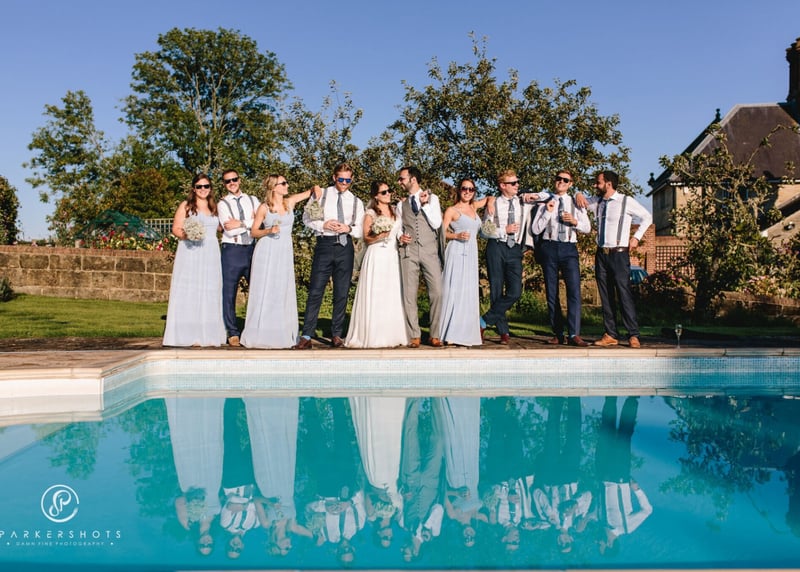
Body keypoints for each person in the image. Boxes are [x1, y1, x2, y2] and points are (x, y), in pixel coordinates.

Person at [240, 175, 319, 349]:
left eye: (286, 182)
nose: (287, 185)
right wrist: (268, 230)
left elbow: (310, 191)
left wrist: (316, 189)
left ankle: (280, 332)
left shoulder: (289, 202)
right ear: (274, 187)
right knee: (265, 289)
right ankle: (261, 332)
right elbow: (254, 232)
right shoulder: (264, 207)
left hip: (284, 252)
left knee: (282, 289)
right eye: (283, 183)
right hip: (267, 250)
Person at [294, 163, 365, 349]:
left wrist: (348, 228)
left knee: (341, 292)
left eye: (348, 180)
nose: (344, 183)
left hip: (345, 247)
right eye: (341, 179)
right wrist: (323, 225)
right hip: (324, 245)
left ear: (352, 180)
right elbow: (306, 218)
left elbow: (361, 229)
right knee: (316, 290)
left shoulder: (357, 202)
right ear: (334, 177)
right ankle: (307, 335)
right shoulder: (321, 194)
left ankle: (336, 335)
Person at [587, 170, 653, 348]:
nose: (595, 185)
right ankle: (610, 334)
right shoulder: (597, 201)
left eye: (598, 182)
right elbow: (580, 203)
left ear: (608, 184)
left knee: (624, 293)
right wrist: (578, 194)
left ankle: (633, 334)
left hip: (619, 253)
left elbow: (647, 217)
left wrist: (636, 237)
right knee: (605, 295)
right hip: (601, 254)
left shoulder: (626, 201)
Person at [163, 173, 226, 347]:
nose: (203, 189)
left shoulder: (215, 207)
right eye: (199, 186)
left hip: (211, 252)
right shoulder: (186, 206)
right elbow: (176, 228)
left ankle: (208, 334)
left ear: (210, 188)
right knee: (190, 290)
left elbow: (221, 228)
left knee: (210, 290)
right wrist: (189, 235)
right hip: (191, 251)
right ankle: (189, 334)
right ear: (194, 189)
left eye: (206, 186)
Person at [344, 181, 408, 348]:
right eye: (384, 192)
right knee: (376, 293)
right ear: (376, 196)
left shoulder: (395, 211)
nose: (388, 194)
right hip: (377, 255)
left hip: (392, 255)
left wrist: (401, 238)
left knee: (392, 293)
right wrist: (380, 235)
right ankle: (373, 335)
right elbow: (366, 238)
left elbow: (399, 231)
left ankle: (393, 334)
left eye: (389, 190)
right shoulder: (370, 213)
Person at [531, 170, 591, 347]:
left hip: (569, 248)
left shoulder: (576, 202)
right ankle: (558, 333)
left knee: (574, 291)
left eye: (566, 180)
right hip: (549, 247)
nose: (561, 182)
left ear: (570, 184)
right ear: (554, 181)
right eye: (559, 179)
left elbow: (587, 228)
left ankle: (574, 333)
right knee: (552, 292)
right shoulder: (545, 201)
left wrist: (575, 221)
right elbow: (535, 229)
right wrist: (547, 213)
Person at [480, 169, 533, 345]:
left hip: (514, 249)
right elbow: (484, 231)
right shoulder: (493, 204)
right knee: (496, 290)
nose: (517, 185)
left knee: (515, 291)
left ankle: (484, 321)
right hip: (496, 247)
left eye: (517, 182)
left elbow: (547, 196)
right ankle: (503, 332)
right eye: (513, 183)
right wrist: (504, 230)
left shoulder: (522, 202)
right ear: (503, 186)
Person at [396, 166, 444, 348]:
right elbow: (398, 227)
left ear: (413, 179)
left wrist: (425, 205)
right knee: (409, 294)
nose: (399, 182)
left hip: (429, 251)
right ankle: (414, 335)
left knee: (437, 292)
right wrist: (400, 236)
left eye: (402, 178)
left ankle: (435, 334)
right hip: (409, 251)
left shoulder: (433, 198)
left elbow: (436, 223)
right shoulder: (401, 205)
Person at [439, 179, 487, 347]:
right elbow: (441, 233)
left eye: (471, 189)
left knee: (468, 292)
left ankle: (464, 332)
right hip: (457, 252)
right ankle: (449, 333)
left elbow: (490, 198)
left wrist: (491, 203)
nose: (467, 192)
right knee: (455, 290)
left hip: (471, 253)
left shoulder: (474, 207)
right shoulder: (452, 210)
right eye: (464, 188)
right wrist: (456, 236)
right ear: (459, 190)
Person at [217, 169, 260, 347]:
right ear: (224, 184)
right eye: (228, 181)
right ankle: (233, 332)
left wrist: (241, 223)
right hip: (232, 250)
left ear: (239, 180)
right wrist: (251, 223)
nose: (232, 183)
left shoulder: (253, 200)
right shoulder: (222, 204)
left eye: (234, 179)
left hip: (252, 249)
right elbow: (229, 230)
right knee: (229, 293)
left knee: (257, 291)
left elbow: (261, 223)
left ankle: (255, 329)